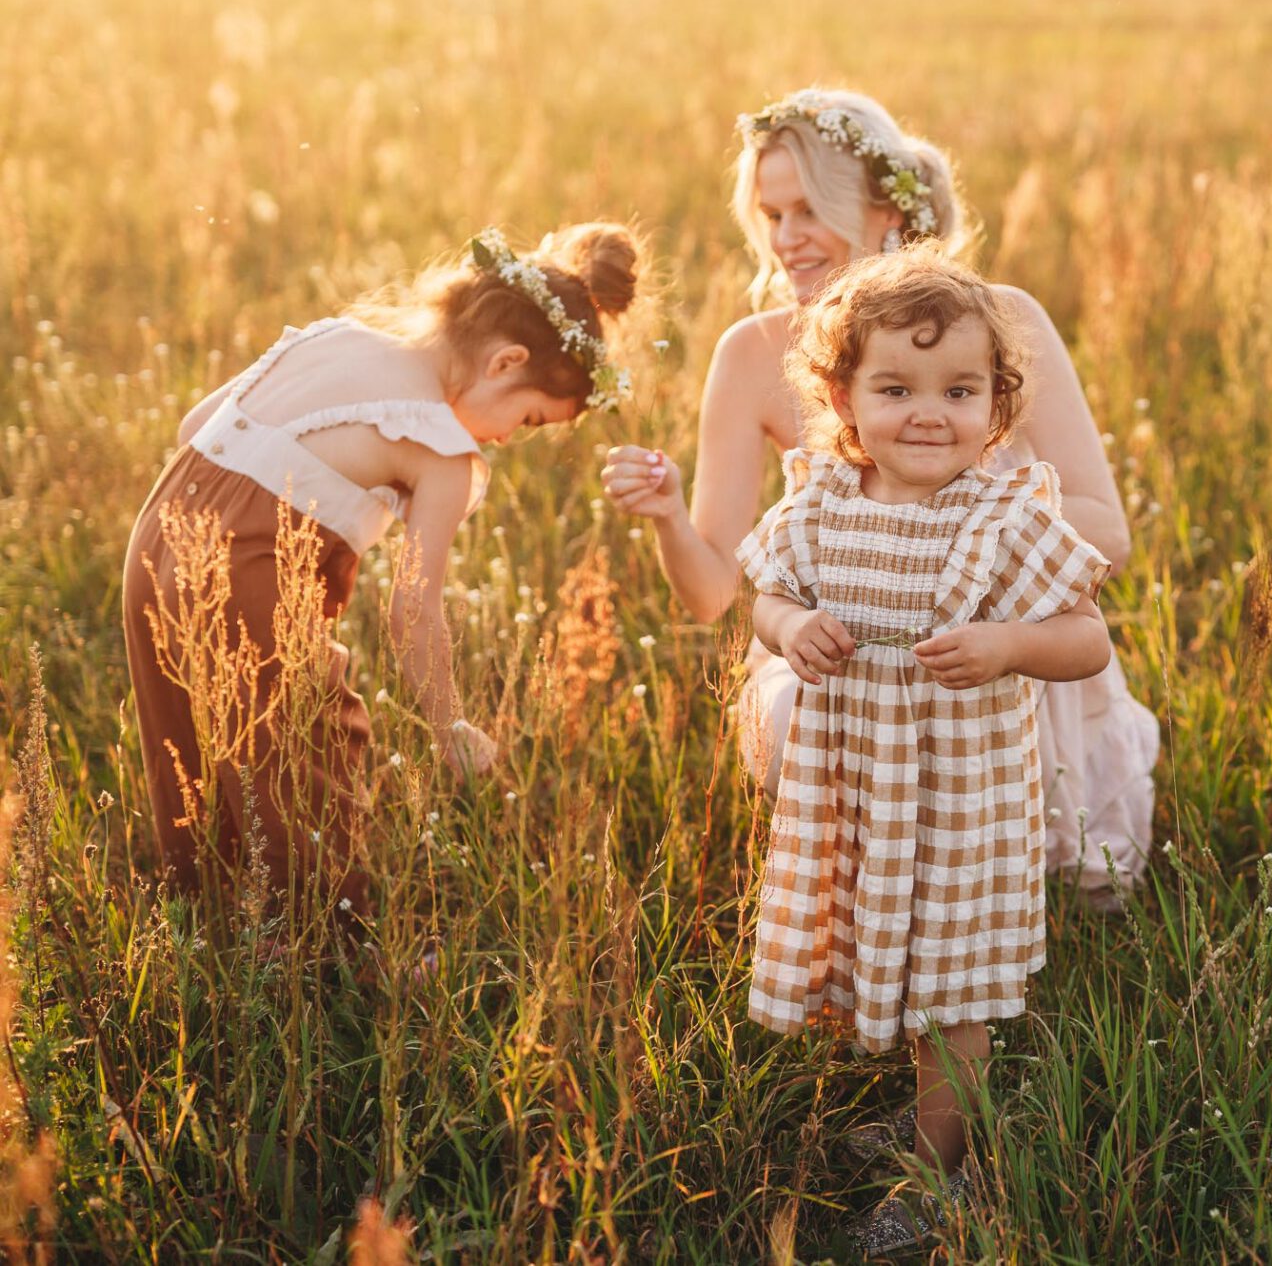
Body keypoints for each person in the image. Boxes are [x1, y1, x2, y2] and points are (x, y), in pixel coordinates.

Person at [601, 88, 1157, 907]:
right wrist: (669, 518)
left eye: (807, 210)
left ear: (885, 209)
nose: (786, 238)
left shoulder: (1004, 321)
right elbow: (717, 590)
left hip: (995, 645)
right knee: (818, 741)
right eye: (772, 215)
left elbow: (1109, 529)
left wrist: (959, 541)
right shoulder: (752, 354)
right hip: (848, 661)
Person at [737, 245, 1110, 1252]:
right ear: (845, 400)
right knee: (883, 958)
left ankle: (942, 1171)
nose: (928, 412)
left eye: (960, 389)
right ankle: (926, 1115)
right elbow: (766, 591)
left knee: (950, 986)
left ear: (997, 404)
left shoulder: (1003, 517)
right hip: (857, 792)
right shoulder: (819, 503)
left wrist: (1008, 645)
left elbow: (1088, 639)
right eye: (895, 387)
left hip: (959, 805)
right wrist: (786, 629)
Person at [123, 223, 642, 916]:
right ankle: (326, 947)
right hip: (246, 572)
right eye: (527, 421)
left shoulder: (333, 337)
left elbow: (194, 426)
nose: (506, 439)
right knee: (315, 741)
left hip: (158, 537)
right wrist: (449, 725)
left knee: (188, 735)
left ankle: (207, 913)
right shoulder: (440, 450)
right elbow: (413, 609)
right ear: (505, 362)